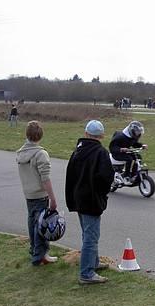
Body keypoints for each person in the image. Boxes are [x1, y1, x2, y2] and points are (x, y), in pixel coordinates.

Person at [65, 120, 114, 284]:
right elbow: (106, 178)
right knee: (91, 237)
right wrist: (101, 194)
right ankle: (86, 273)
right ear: (101, 136)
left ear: (86, 134)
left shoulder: (77, 151)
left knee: (88, 233)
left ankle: (93, 262)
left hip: (78, 198)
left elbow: (70, 174)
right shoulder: (101, 152)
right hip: (91, 200)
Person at [16, 121, 58, 266]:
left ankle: (35, 250)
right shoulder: (40, 154)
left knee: (32, 222)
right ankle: (40, 255)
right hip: (40, 194)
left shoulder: (21, 153)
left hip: (28, 193)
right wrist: (52, 198)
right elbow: (45, 179)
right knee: (41, 225)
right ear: (40, 135)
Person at [109, 121, 147, 185]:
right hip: (116, 154)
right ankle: (126, 175)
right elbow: (112, 147)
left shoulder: (132, 137)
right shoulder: (120, 136)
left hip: (125, 152)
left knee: (138, 157)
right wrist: (121, 149)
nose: (138, 133)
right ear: (131, 130)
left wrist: (141, 145)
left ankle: (134, 174)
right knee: (129, 159)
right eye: (137, 131)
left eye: (139, 132)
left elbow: (134, 144)